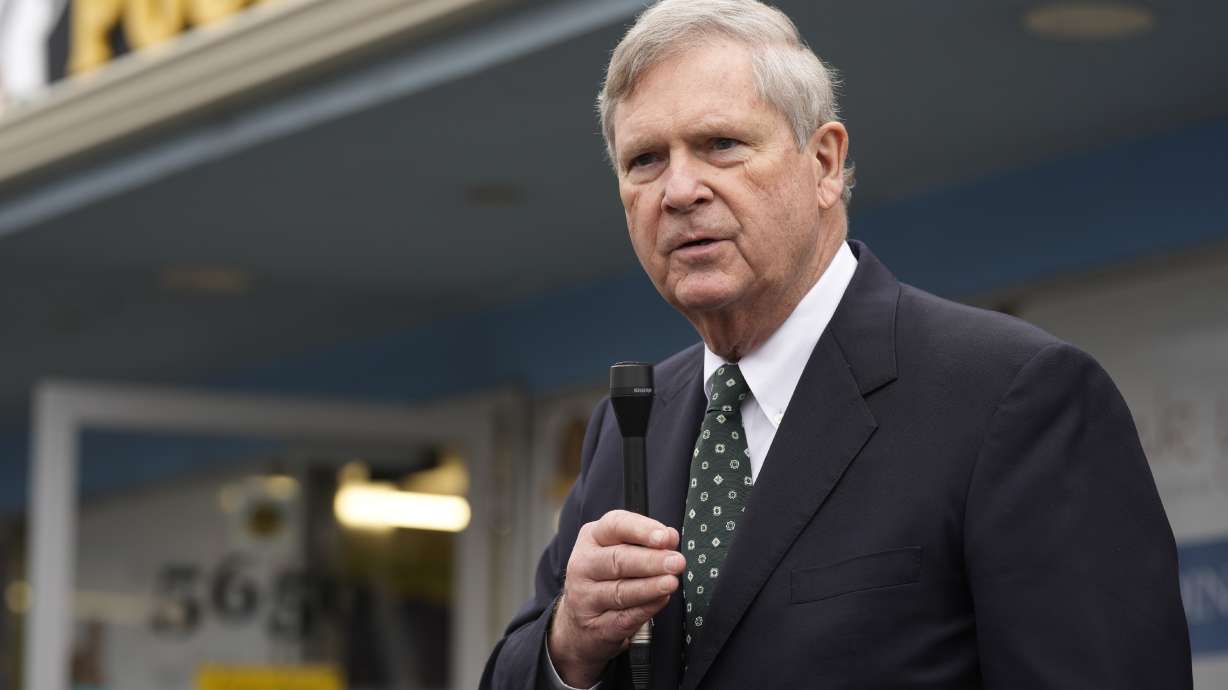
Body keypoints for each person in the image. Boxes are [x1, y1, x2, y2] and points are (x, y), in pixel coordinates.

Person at [481, 0, 1192, 687]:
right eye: (645, 161)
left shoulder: (1013, 394)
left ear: (823, 163)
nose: (680, 189)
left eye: (720, 144)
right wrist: (570, 643)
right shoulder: (630, 422)